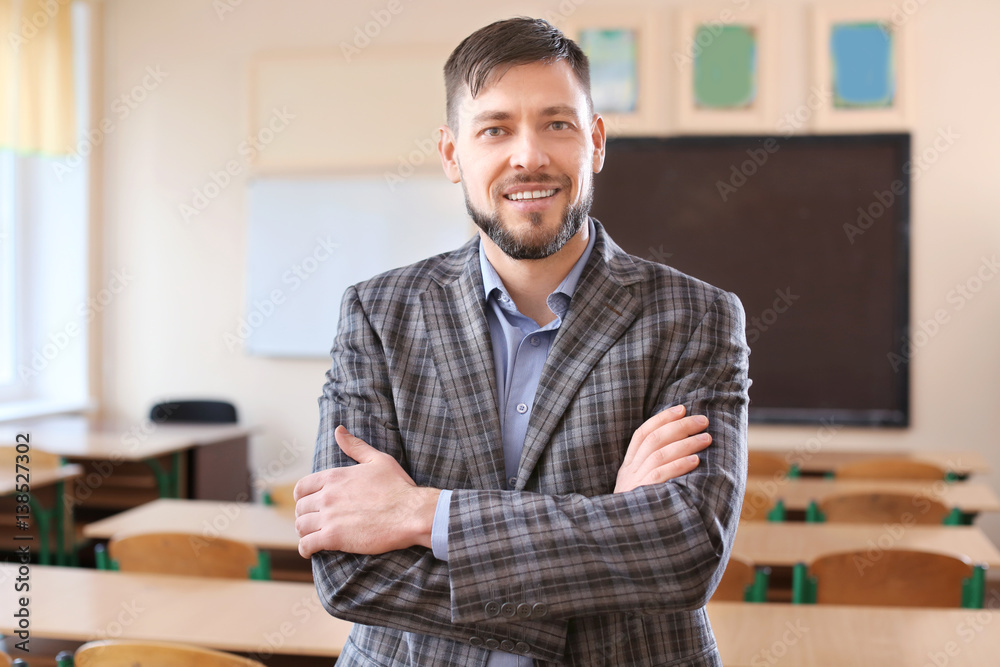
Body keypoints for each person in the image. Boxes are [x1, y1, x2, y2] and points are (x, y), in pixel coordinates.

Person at [294, 16, 750, 667]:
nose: (528, 155)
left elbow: (684, 552)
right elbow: (347, 571)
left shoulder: (695, 316)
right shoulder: (376, 313)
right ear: (454, 155)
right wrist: (611, 527)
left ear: (594, 142)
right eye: (496, 128)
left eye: (556, 124)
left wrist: (427, 514)